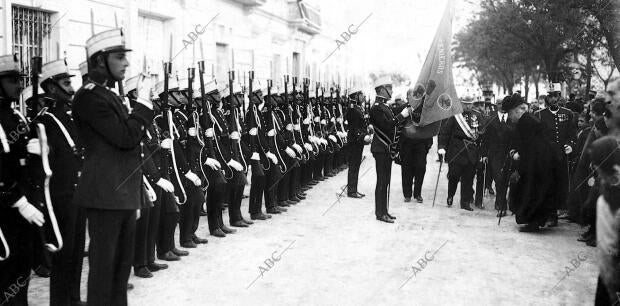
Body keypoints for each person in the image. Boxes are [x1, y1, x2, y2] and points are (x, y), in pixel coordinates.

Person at [72, 29, 154, 306]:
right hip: (106, 195)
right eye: (119, 57)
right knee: (104, 270)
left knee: (120, 270)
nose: (126, 64)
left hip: (121, 194)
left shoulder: (110, 96)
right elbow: (126, 138)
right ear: (99, 61)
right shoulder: (89, 97)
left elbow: (132, 144)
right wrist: (143, 104)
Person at [36, 59, 87, 306]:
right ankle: (60, 302)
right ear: (52, 87)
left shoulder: (70, 115)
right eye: (66, 83)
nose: (72, 88)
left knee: (77, 252)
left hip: (77, 195)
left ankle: (74, 299)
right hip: (60, 198)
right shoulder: (44, 121)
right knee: (64, 255)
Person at [0, 53, 42, 306]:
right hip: (5, 210)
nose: (19, 86)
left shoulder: (16, 116)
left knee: (21, 271)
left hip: (22, 211)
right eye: (12, 80)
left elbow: (19, 162)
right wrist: (19, 201)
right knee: (5, 275)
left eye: (19, 80)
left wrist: (35, 151)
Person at [505, 95, 556, 232]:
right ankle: (532, 221)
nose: (510, 118)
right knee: (532, 192)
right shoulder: (527, 120)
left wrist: (518, 154)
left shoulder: (527, 122)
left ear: (516, 111)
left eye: (510, 114)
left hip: (536, 164)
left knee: (532, 192)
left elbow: (531, 145)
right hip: (536, 163)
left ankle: (533, 223)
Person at [534, 84, 577, 227]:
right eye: (550, 96)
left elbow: (572, 134)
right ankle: (550, 214)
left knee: (560, 184)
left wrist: (570, 144)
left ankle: (558, 212)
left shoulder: (568, 113)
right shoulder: (539, 114)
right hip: (546, 156)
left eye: (556, 95)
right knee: (547, 183)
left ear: (559, 96)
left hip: (561, 156)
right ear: (547, 97)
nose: (553, 99)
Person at [370, 76, 410, 223]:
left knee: (385, 181)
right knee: (382, 181)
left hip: (385, 148)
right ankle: (380, 213)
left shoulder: (384, 106)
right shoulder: (376, 108)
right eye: (390, 88)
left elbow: (393, 112)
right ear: (382, 90)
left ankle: (384, 211)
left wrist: (408, 106)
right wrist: (401, 116)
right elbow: (387, 125)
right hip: (381, 148)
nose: (392, 91)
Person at [437, 97, 482, 211]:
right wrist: (442, 147)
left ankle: (465, 202)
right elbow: (445, 132)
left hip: (471, 151)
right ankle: (450, 195)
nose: (468, 106)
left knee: (468, 178)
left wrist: (480, 135)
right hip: (456, 149)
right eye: (465, 104)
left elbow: (482, 131)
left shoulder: (477, 115)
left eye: (470, 104)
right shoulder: (455, 115)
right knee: (454, 175)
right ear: (461, 103)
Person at [481, 96, 513, 216]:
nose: (501, 106)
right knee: (499, 180)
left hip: (509, 155)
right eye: (499, 103)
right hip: (494, 155)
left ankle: (503, 203)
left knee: (506, 180)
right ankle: (501, 206)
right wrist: (484, 154)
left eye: (503, 103)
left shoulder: (512, 119)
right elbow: (485, 139)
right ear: (496, 105)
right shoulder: (491, 119)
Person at [346, 87, 369, 198]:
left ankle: (354, 189)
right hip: (355, 141)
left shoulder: (358, 108)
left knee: (356, 165)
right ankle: (351, 191)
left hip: (357, 141)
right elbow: (354, 128)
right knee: (354, 166)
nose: (363, 97)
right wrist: (363, 136)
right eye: (361, 94)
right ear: (355, 96)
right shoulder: (353, 109)